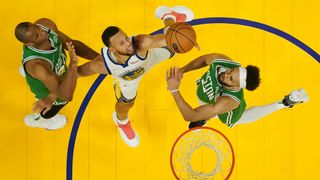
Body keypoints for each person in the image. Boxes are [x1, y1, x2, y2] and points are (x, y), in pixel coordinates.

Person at [77, 6, 195, 147]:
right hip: (129, 80)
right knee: (126, 103)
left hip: (150, 59)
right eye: (122, 43)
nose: (128, 43)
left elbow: (167, 40)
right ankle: (122, 123)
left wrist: (185, 38)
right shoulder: (101, 65)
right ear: (112, 50)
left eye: (126, 37)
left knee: (173, 45)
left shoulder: (142, 42)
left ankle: (168, 16)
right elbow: (78, 72)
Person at [166, 53, 309, 129]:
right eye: (231, 71)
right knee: (207, 111)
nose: (226, 74)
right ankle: (207, 116)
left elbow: (190, 115)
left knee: (245, 116)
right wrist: (182, 71)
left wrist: (174, 89)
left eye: (231, 78)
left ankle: (285, 103)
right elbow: (204, 59)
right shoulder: (223, 61)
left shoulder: (229, 102)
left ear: (235, 87)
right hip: (208, 96)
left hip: (225, 110)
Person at [15, 18, 100, 130]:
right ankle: (39, 120)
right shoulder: (37, 66)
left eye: (38, 28)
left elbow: (71, 43)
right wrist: (73, 65)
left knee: (71, 73)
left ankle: (27, 71)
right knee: (52, 108)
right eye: (37, 35)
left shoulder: (45, 24)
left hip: (51, 69)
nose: (42, 32)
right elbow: (65, 95)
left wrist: (99, 57)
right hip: (45, 87)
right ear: (30, 44)